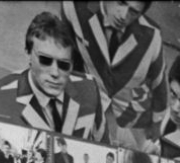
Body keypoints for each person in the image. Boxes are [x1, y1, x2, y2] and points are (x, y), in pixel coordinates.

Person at [0, 11, 106, 142]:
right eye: (45, 60)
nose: (55, 72)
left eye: (64, 64)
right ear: (28, 54)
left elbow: (104, 143)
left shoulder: (89, 88)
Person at [62, 1, 167, 150]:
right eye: (121, 2)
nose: (123, 16)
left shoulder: (152, 36)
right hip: (86, 96)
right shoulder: (74, 7)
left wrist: (157, 122)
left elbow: (159, 82)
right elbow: (65, 53)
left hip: (125, 110)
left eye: (134, 12)